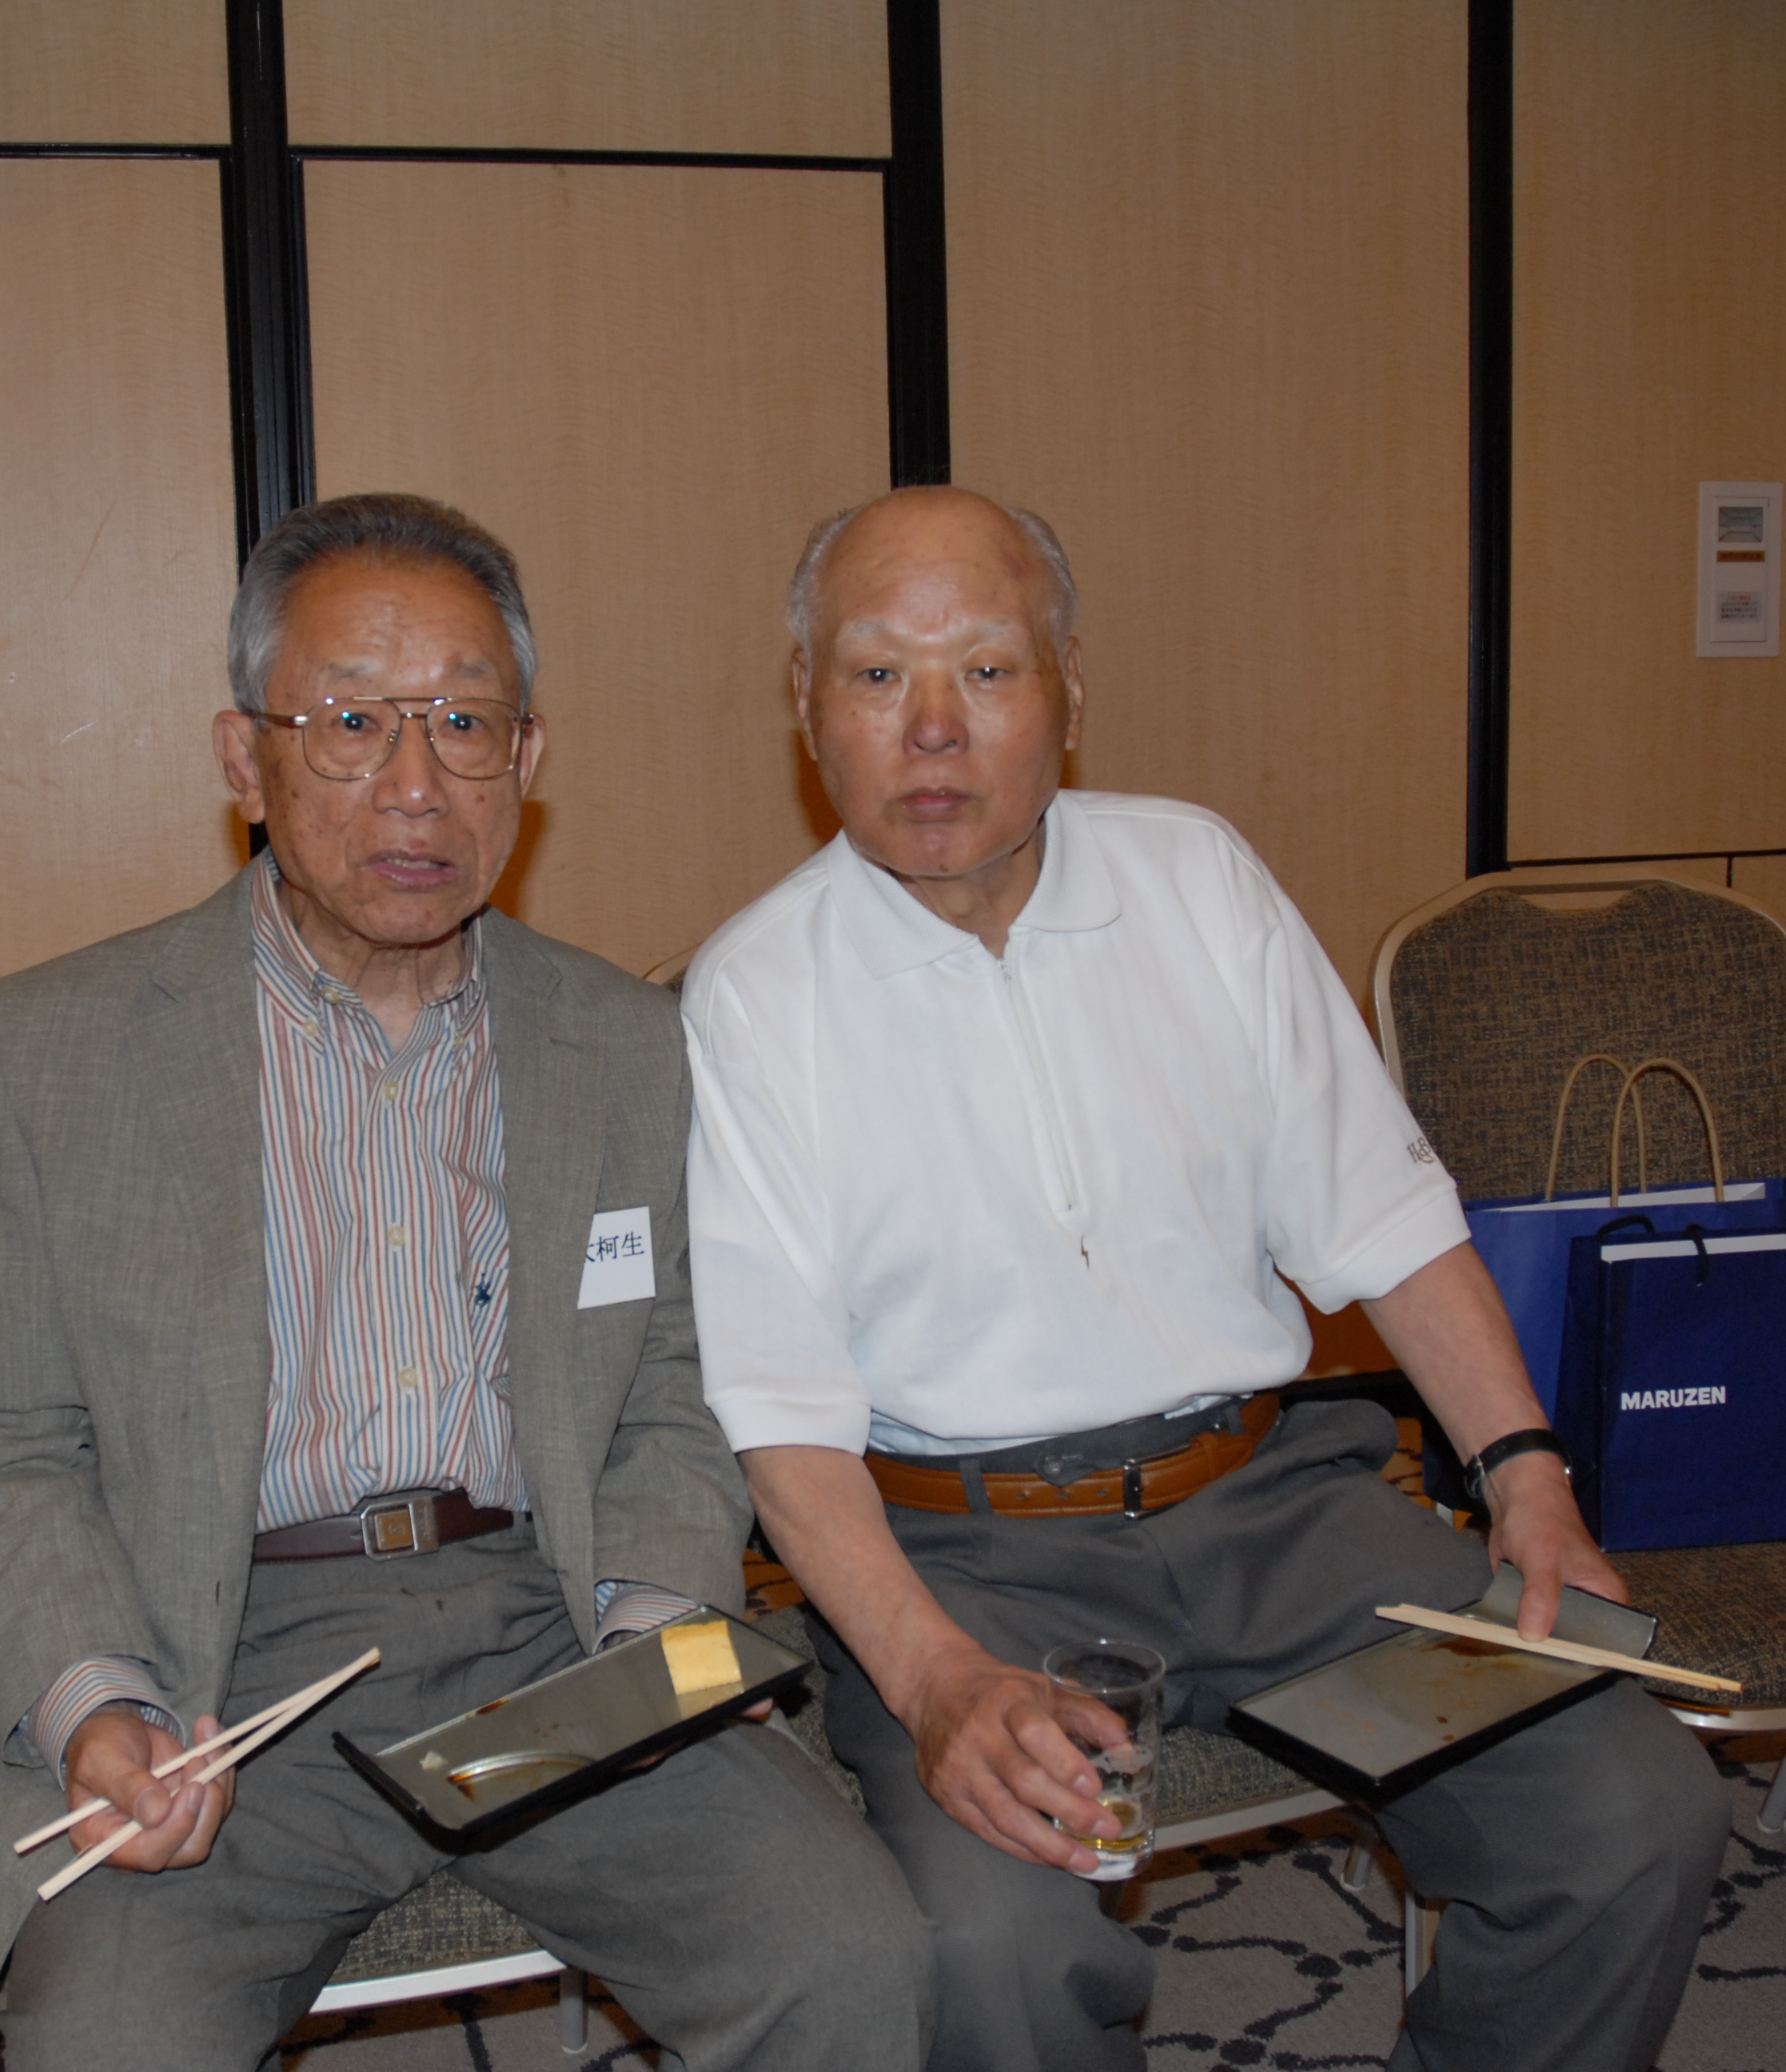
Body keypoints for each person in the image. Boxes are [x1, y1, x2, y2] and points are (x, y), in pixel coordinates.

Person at [680, 487, 1728, 2072]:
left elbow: (1387, 1217)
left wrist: (1525, 1476)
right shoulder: (758, 993)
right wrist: (938, 1680)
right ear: (806, 708)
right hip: (971, 1563)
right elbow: (780, 1419)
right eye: (879, 675)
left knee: (1632, 1813)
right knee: (991, 1952)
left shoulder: (1196, 880)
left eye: (987, 670)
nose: (933, 728)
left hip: (1275, 1512)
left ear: (1070, 691)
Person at [0, 493, 932, 2070]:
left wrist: (654, 1628)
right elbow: (6, 1445)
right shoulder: (56, 1050)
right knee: (112, 2038)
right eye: (348, 724)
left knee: (848, 1957)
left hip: (553, 1625)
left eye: (464, 723)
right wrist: (101, 1705)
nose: (414, 785)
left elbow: (675, 1386)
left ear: (526, 762)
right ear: (243, 757)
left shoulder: (626, 1046)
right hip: (213, 1658)